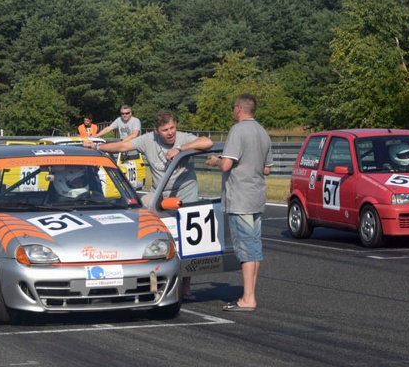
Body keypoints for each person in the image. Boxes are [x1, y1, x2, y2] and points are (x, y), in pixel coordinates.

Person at [85, 110, 201, 299]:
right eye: (165, 130)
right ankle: (144, 279)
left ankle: (185, 287)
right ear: (156, 131)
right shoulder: (147, 140)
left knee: (187, 244)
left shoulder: (184, 138)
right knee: (147, 230)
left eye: (172, 128)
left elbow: (207, 142)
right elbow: (123, 146)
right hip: (159, 194)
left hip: (186, 195)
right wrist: (98, 147)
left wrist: (181, 149)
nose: (170, 133)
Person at [175, 94, 272, 312]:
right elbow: (267, 169)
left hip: (240, 198)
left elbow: (227, 164)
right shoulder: (263, 132)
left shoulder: (237, 130)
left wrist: (215, 161)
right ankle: (250, 294)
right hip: (257, 196)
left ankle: (248, 298)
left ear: (238, 109)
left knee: (245, 248)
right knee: (254, 247)